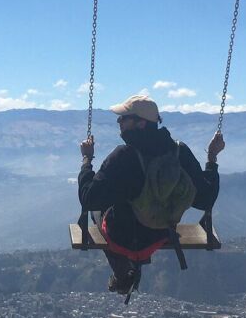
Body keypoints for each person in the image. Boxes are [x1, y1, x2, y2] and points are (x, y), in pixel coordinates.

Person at [78, 94, 224, 296]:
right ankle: (130, 268)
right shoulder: (179, 153)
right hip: (159, 235)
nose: (118, 122)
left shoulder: (123, 157)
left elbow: (87, 198)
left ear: (140, 124)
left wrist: (87, 161)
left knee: (97, 208)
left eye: (123, 118)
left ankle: (122, 273)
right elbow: (206, 198)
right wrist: (212, 158)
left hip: (122, 239)